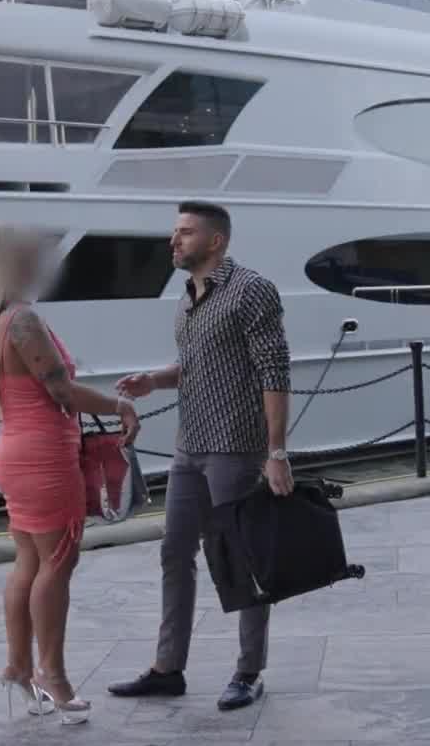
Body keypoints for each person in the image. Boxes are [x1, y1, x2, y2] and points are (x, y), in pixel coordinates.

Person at [109, 201, 293, 711]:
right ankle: (168, 669)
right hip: (189, 447)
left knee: (241, 558)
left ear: (216, 241)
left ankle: (249, 671)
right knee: (175, 553)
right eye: (175, 232)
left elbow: (275, 372)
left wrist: (276, 451)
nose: (174, 241)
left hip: (236, 447)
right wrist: (154, 380)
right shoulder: (188, 294)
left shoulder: (252, 290)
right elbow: (194, 366)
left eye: (185, 233)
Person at [0, 226, 140, 725]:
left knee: (28, 561)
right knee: (58, 563)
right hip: (45, 456)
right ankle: (54, 676)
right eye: (32, 255)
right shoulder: (23, 320)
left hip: (15, 453)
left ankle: (19, 668)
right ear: (14, 262)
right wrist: (120, 405)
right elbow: (61, 392)